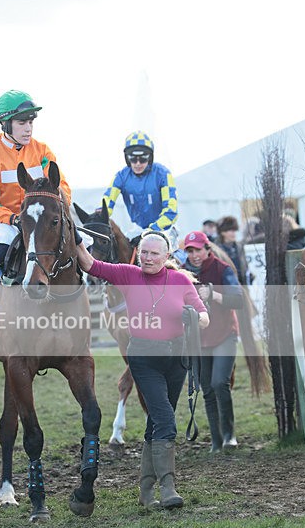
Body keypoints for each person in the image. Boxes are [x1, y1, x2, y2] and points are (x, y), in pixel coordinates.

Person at [77, 230, 208, 510]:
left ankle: (146, 490)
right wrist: (74, 238)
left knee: (157, 422)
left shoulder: (181, 280)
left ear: (167, 256)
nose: (147, 258)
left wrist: (195, 317)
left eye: (154, 253)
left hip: (175, 360)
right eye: (144, 252)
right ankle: (168, 486)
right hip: (144, 358)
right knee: (165, 419)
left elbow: (203, 314)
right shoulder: (129, 275)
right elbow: (90, 265)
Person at [0, 89, 73, 306]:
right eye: (22, 123)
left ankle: (92, 280)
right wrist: (12, 219)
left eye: (31, 122)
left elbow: (61, 185)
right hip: (5, 221)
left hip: (41, 218)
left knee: (78, 241)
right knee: (2, 246)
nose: (28, 129)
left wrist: (59, 207)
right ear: (5, 124)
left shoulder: (42, 151)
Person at [183, 231, 243, 453]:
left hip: (224, 333)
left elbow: (238, 300)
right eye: (190, 250)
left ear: (207, 249)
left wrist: (213, 295)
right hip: (199, 339)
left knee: (219, 382)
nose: (194, 254)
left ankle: (229, 434)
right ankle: (217, 441)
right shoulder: (183, 273)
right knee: (206, 388)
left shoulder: (222, 269)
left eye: (197, 249)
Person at [99, 131, 178, 251]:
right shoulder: (121, 176)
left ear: (150, 157)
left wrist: (150, 231)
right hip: (137, 228)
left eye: (143, 159)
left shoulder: (163, 174)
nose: (137, 163)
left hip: (164, 229)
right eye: (133, 159)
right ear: (127, 158)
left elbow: (171, 212)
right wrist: (99, 214)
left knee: (170, 258)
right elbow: (107, 202)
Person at [216, 215, 251, 285]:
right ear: (222, 232)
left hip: (242, 284)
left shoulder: (239, 246)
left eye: (234, 230)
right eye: (231, 231)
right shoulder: (216, 249)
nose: (234, 233)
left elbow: (244, 265)